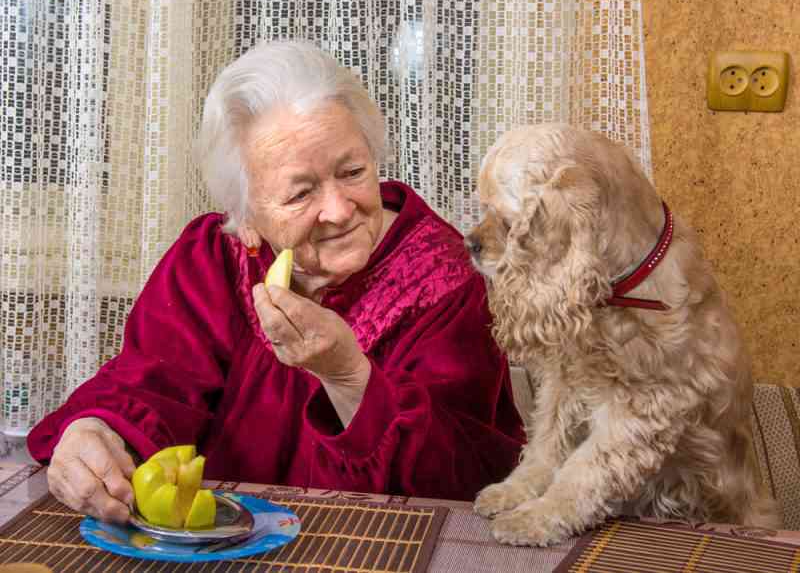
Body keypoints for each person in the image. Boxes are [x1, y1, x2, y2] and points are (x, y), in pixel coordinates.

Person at [27, 40, 525, 524]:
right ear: (245, 217)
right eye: (300, 193)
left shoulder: (445, 278)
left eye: (352, 171)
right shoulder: (212, 258)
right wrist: (94, 430)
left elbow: (467, 482)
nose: (339, 209)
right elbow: (151, 385)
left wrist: (350, 377)